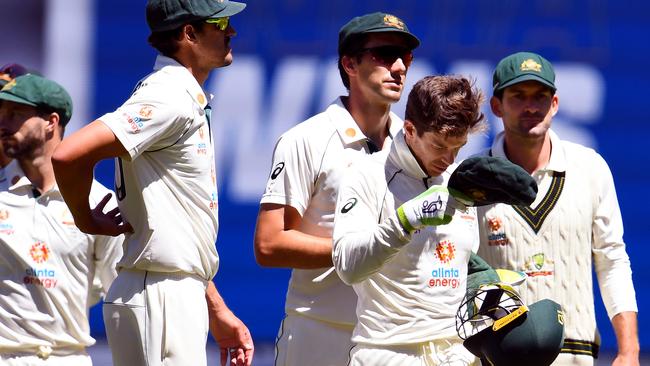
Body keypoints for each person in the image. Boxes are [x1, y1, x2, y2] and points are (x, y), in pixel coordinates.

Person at [51, 1, 254, 365]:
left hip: (169, 291)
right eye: (220, 22)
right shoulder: (169, 96)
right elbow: (68, 155)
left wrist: (215, 309)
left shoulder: (178, 94)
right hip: (161, 295)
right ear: (188, 33)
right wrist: (83, 218)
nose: (232, 31)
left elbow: (178, 230)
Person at [253, 12, 420, 365]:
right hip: (319, 330)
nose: (399, 67)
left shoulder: (413, 142)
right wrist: (362, 250)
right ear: (349, 63)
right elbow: (269, 244)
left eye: (405, 56)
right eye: (385, 54)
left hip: (394, 337)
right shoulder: (306, 140)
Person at [476, 51, 639, 366]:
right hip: (499, 358)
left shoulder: (590, 167)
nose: (531, 106)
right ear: (497, 106)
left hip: (576, 355)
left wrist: (629, 350)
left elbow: (612, 259)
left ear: (555, 104)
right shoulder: (473, 179)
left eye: (540, 96)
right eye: (518, 96)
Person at [332, 75, 486, 365]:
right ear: (411, 129)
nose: (449, 158)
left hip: (457, 355)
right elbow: (348, 267)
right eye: (440, 146)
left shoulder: (458, 179)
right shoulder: (367, 175)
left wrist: (487, 287)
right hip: (390, 352)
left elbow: (460, 266)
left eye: (459, 146)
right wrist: (406, 220)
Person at [0, 74, 123, 365]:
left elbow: (118, 294)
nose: (3, 124)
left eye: (16, 114)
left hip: (68, 358)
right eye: (0, 113)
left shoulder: (99, 201)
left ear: (51, 123)